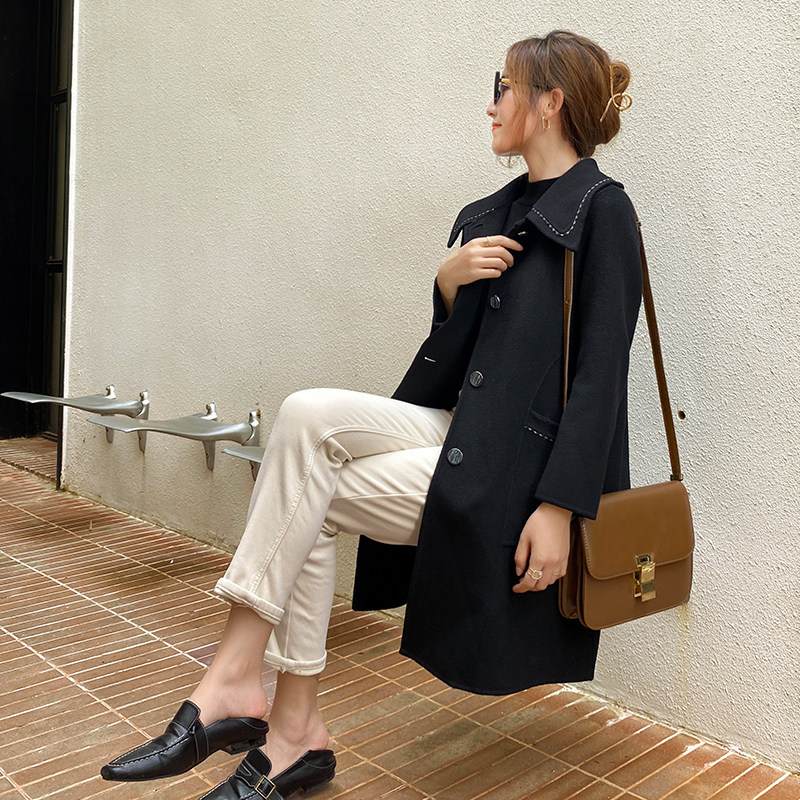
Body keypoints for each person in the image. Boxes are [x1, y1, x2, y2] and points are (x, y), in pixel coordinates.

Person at [101, 30, 642, 800]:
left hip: (518, 472)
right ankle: (270, 711)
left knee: (307, 497)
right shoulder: (496, 213)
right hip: (465, 433)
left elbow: (601, 376)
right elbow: (463, 368)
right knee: (304, 418)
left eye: (505, 86)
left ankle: (260, 708)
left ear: (550, 103)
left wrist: (558, 508)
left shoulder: (602, 210)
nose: (491, 103)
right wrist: (449, 285)